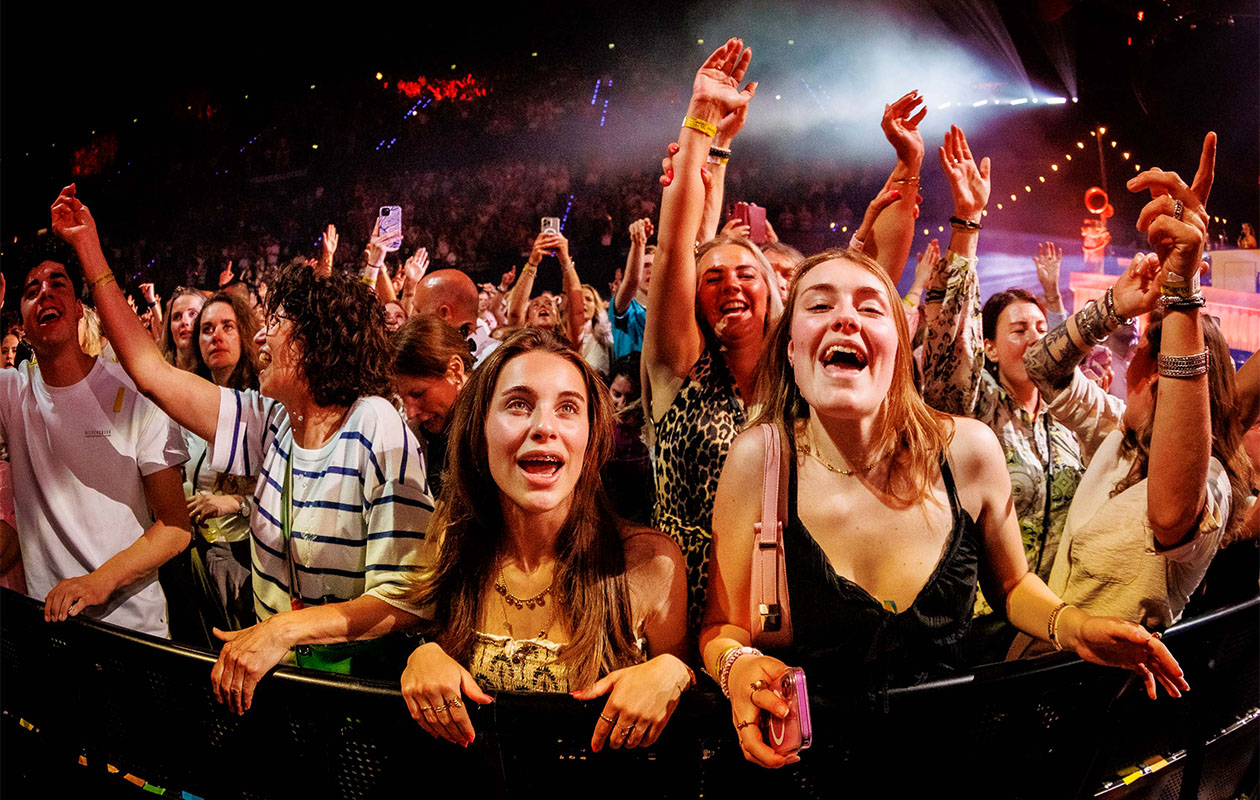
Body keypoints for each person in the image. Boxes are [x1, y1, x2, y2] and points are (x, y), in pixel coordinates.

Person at [702, 242, 1190, 770]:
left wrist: (1073, 626)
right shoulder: (760, 461)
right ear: (793, 349)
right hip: (808, 776)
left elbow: (1011, 587)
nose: (845, 317)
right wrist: (737, 667)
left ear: (897, 343)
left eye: (869, 307)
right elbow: (720, 626)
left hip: (954, 766)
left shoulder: (968, 451)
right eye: (820, 306)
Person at [51, 184, 434, 714]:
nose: (260, 339)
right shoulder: (273, 423)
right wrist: (89, 250)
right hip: (283, 688)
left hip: (354, 701)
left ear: (315, 341)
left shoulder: (375, 424)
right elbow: (151, 372)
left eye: (276, 326)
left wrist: (283, 629)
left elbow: (408, 596)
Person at [398, 329, 691, 753]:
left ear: (590, 436)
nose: (544, 427)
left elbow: (682, 721)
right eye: (518, 405)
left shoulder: (648, 563)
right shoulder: (456, 545)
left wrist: (673, 670)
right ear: (480, 429)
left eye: (568, 408)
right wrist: (423, 656)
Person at [1016, 133, 1249, 639]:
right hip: (1048, 648)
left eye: (1141, 350)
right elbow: (1041, 369)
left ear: (1162, 373)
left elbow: (1167, 514)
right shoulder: (1118, 437)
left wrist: (1185, 292)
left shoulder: (1209, 479)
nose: (1126, 367)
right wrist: (1115, 307)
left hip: (1106, 690)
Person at [920, 132, 1088, 621]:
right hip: (985, 625)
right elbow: (951, 345)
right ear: (988, 347)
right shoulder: (976, 409)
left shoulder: (1065, 419)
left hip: (1060, 615)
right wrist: (968, 225)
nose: (1036, 339)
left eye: (1042, 328)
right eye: (1018, 330)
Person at [1, 246, 191, 638]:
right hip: (49, 630)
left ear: (76, 307)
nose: (45, 294)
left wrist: (99, 581)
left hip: (131, 629)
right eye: (31, 290)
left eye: (58, 283)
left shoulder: (135, 393)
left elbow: (175, 526)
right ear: (20, 321)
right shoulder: (12, 395)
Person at [184, 290, 262, 631]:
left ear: (243, 334)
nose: (216, 335)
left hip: (246, 557)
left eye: (227, 326)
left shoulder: (263, 402)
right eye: (207, 328)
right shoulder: (187, 402)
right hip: (198, 553)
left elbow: (288, 488)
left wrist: (236, 502)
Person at [392, 314, 475, 497]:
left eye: (419, 394)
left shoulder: (493, 428)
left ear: (454, 370)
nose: (411, 412)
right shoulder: (416, 434)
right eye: (402, 398)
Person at [611, 218, 653, 360]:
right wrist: (638, 243)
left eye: (655, 265)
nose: (651, 271)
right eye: (645, 265)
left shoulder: (669, 310)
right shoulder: (624, 306)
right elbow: (631, 282)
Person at [159, 285, 208, 372]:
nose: (184, 322)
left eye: (193, 314)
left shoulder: (215, 374)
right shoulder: (158, 371)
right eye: (177, 316)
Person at [575, 283, 613, 377]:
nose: (583, 302)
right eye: (578, 298)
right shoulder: (561, 339)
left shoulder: (606, 341)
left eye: (588, 299)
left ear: (595, 306)